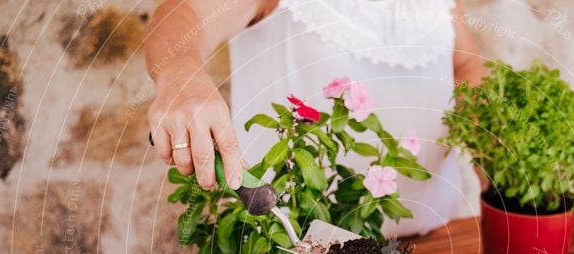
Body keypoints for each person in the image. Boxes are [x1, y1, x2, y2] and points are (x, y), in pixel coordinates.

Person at [145, 0, 485, 237]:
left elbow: (464, 67)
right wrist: (180, 75)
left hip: (439, 238)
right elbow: (184, 12)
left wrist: (495, 144)